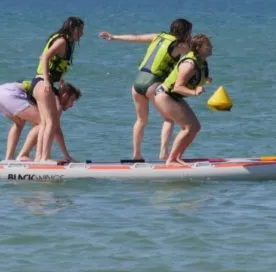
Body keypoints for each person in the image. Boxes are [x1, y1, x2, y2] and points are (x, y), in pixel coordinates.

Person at [98, 18, 193, 161]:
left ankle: (137, 155)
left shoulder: (157, 37)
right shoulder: (180, 45)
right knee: (168, 119)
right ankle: (163, 154)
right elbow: (195, 51)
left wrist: (114, 37)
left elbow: (136, 38)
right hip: (154, 82)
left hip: (138, 82)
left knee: (141, 120)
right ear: (185, 32)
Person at [153, 34, 213, 166]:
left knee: (195, 127)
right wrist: (194, 91)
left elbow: (196, 77)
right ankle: (172, 160)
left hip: (173, 97)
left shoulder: (201, 62)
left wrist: (205, 79)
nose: (211, 47)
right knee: (188, 127)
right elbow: (177, 87)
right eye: (207, 45)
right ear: (198, 47)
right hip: (165, 95)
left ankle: (177, 157)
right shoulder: (189, 64)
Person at [31, 16, 85, 163]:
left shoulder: (62, 40)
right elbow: (45, 57)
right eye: (80, 30)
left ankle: (39, 157)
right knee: (51, 122)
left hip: (38, 82)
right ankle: (45, 157)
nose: (82, 34)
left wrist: (59, 81)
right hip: (43, 82)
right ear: (73, 29)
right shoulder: (62, 41)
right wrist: (48, 81)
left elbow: (54, 63)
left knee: (45, 122)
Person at [0, 79, 82, 161]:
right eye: (72, 100)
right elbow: (56, 129)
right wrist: (67, 156)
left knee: (19, 123)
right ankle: (23, 155)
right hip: (12, 94)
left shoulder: (47, 95)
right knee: (44, 123)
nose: (72, 105)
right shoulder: (55, 99)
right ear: (65, 96)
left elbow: (39, 132)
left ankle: (9, 158)